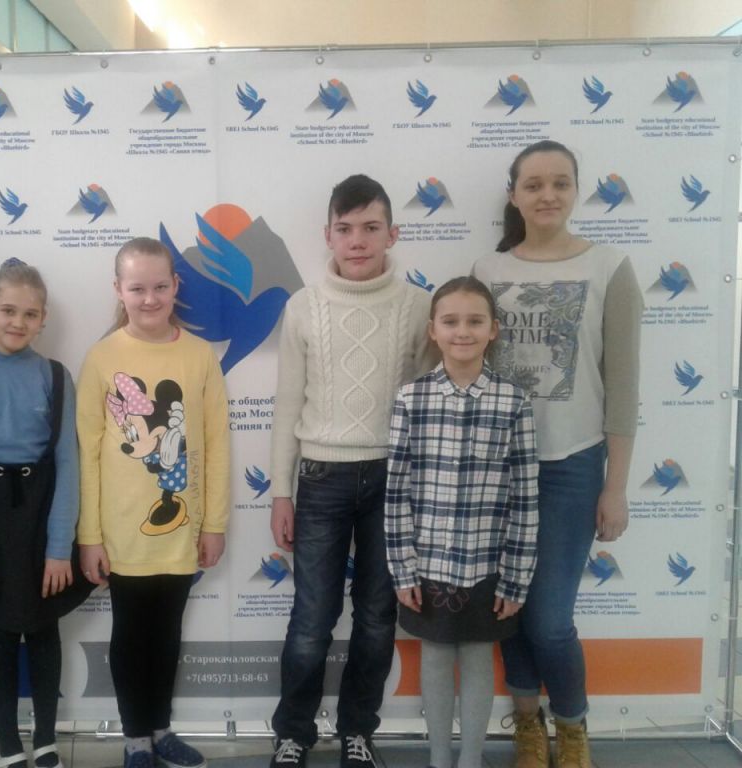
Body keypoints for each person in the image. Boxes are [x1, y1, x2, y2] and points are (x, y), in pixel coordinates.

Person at [472, 140, 642, 768]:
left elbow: (622, 387)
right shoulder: (487, 271)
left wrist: (615, 487)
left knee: (548, 619)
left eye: (561, 183)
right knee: (508, 611)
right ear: (514, 195)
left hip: (573, 466)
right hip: (496, 467)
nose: (548, 195)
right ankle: (526, 726)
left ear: (576, 191)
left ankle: (571, 729)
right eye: (534, 184)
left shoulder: (610, 267)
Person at [268, 174, 435, 768]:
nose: (357, 240)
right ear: (328, 235)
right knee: (312, 619)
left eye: (370, 227)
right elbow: (288, 404)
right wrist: (280, 493)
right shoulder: (303, 307)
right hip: (321, 480)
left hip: (394, 481)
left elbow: (429, 406)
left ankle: (358, 730)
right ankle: (293, 733)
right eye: (345, 229)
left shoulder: (420, 307)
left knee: (377, 618)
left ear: (393, 233)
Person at [76, 237, 230, 768]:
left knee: (167, 636)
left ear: (175, 286)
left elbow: (216, 445)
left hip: (183, 531)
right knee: (130, 637)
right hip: (121, 536)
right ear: (118, 290)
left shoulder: (199, 355)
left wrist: (214, 524)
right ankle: (135, 738)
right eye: (137, 288)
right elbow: (88, 453)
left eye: (160, 286)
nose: (149, 298)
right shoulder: (102, 357)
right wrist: (90, 537)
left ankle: (161, 729)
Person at [0, 259, 92, 768]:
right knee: (1, 632)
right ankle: (8, 743)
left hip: (43, 517)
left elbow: (68, 464)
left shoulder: (56, 377)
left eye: (30, 314)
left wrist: (59, 548)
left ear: (43, 319)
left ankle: (46, 739)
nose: (18, 322)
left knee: (44, 629)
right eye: (8, 310)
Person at [385, 277, 539, 768]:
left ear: (493, 330)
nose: (463, 332)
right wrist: (403, 570)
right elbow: (396, 492)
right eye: (450, 321)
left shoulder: (514, 402)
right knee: (434, 657)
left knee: (476, 659)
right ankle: (438, 759)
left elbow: (525, 497)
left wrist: (515, 579)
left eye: (475, 321)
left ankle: (470, 760)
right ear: (433, 330)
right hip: (428, 564)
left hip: (487, 566)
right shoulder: (411, 399)